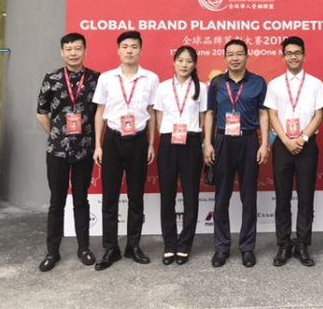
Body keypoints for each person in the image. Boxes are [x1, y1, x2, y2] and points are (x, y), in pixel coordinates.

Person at [92, 31, 159, 271]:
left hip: (138, 141)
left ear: (141, 50)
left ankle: (133, 246)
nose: (129, 50)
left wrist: (151, 144)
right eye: (125, 46)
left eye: (134, 46)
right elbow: (100, 112)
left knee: (136, 196)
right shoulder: (106, 78)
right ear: (118, 50)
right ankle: (111, 248)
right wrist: (98, 145)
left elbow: (151, 113)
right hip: (112, 139)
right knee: (110, 196)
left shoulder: (151, 78)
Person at [36, 33, 101, 272]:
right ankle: (52, 252)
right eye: (69, 49)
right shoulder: (52, 78)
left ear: (85, 51)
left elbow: (100, 112)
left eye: (78, 48)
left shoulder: (96, 79)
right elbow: (41, 113)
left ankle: (84, 248)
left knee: (81, 200)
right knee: (57, 202)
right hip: (57, 151)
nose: (73, 53)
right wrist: (56, 135)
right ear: (62, 52)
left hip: (85, 149)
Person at [203, 39, 269, 268]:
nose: (235, 58)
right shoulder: (216, 83)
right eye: (230, 54)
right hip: (222, 141)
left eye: (239, 53)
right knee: (222, 196)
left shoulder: (258, 82)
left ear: (247, 57)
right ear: (224, 58)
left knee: (248, 197)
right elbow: (209, 114)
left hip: (249, 140)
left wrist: (264, 144)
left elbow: (263, 113)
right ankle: (221, 247)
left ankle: (247, 247)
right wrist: (208, 143)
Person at [264, 36, 323, 267]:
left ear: (304, 55)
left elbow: (319, 115)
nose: (293, 57)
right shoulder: (275, 84)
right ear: (283, 57)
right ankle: (283, 244)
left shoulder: (316, 84)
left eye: (297, 52)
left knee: (306, 196)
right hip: (282, 145)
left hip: (307, 144)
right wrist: (286, 140)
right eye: (289, 53)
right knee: (282, 196)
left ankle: (302, 244)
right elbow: (272, 114)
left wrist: (303, 138)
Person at [154, 46, 207, 265]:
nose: (184, 65)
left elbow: (204, 117)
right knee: (167, 195)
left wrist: (201, 139)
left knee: (190, 195)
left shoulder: (201, 88)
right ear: (174, 61)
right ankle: (169, 244)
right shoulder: (163, 87)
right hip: (168, 142)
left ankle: (184, 244)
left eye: (189, 61)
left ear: (194, 64)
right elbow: (158, 116)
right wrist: (167, 133)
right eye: (181, 60)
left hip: (191, 141)